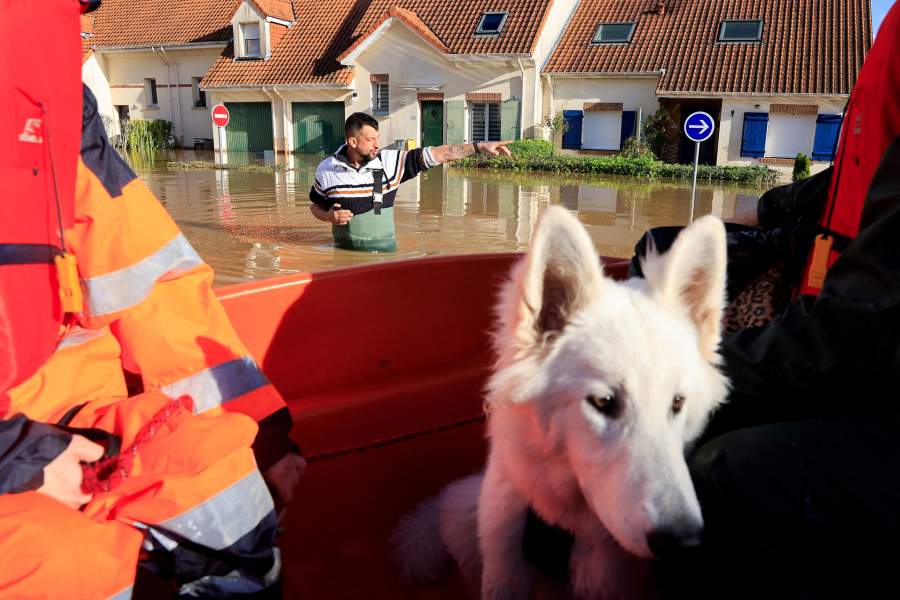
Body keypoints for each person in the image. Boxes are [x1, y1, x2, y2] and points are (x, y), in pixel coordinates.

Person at [0, 1, 303, 597]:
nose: (84, 23)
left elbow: (154, 285)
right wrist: (15, 455)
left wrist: (263, 433)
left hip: (75, 411)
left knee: (222, 485)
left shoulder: (53, 102)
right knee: (63, 564)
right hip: (15, 447)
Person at [655, 3, 900, 597]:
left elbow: (863, 328)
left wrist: (674, 378)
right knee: (660, 245)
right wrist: (767, 213)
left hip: (870, 363)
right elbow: (860, 167)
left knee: (712, 473)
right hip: (844, 336)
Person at [309, 112, 513, 251]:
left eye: (377, 138)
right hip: (343, 259)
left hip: (383, 258)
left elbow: (441, 154)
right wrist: (328, 216)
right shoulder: (327, 169)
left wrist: (479, 147)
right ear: (353, 141)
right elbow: (315, 206)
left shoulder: (390, 163)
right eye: (371, 140)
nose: (377, 145)